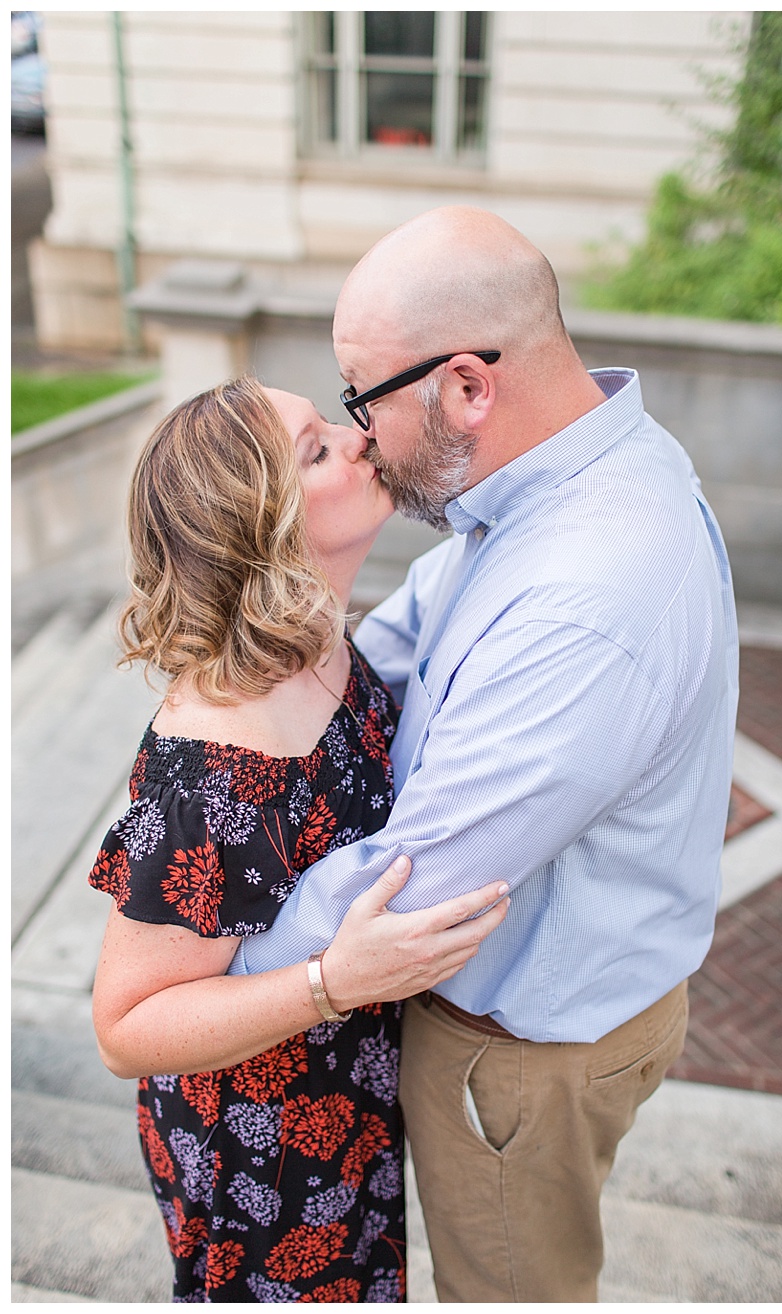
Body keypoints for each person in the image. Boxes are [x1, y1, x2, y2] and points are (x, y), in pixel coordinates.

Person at [228, 206, 740, 1302]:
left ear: (467, 387)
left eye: (362, 398)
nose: (358, 433)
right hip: (567, 1001)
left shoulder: (587, 595)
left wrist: (206, 981)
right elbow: (399, 647)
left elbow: (417, 886)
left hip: (516, 1055)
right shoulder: (556, 471)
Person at [88, 379, 513, 1302]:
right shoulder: (213, 771)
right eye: (317, 449)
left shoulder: (312, 638)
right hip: (259, 1153)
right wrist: (335, 983)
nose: (359, 439)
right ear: (263, 530)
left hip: (345, 1095)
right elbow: (124, 1029)